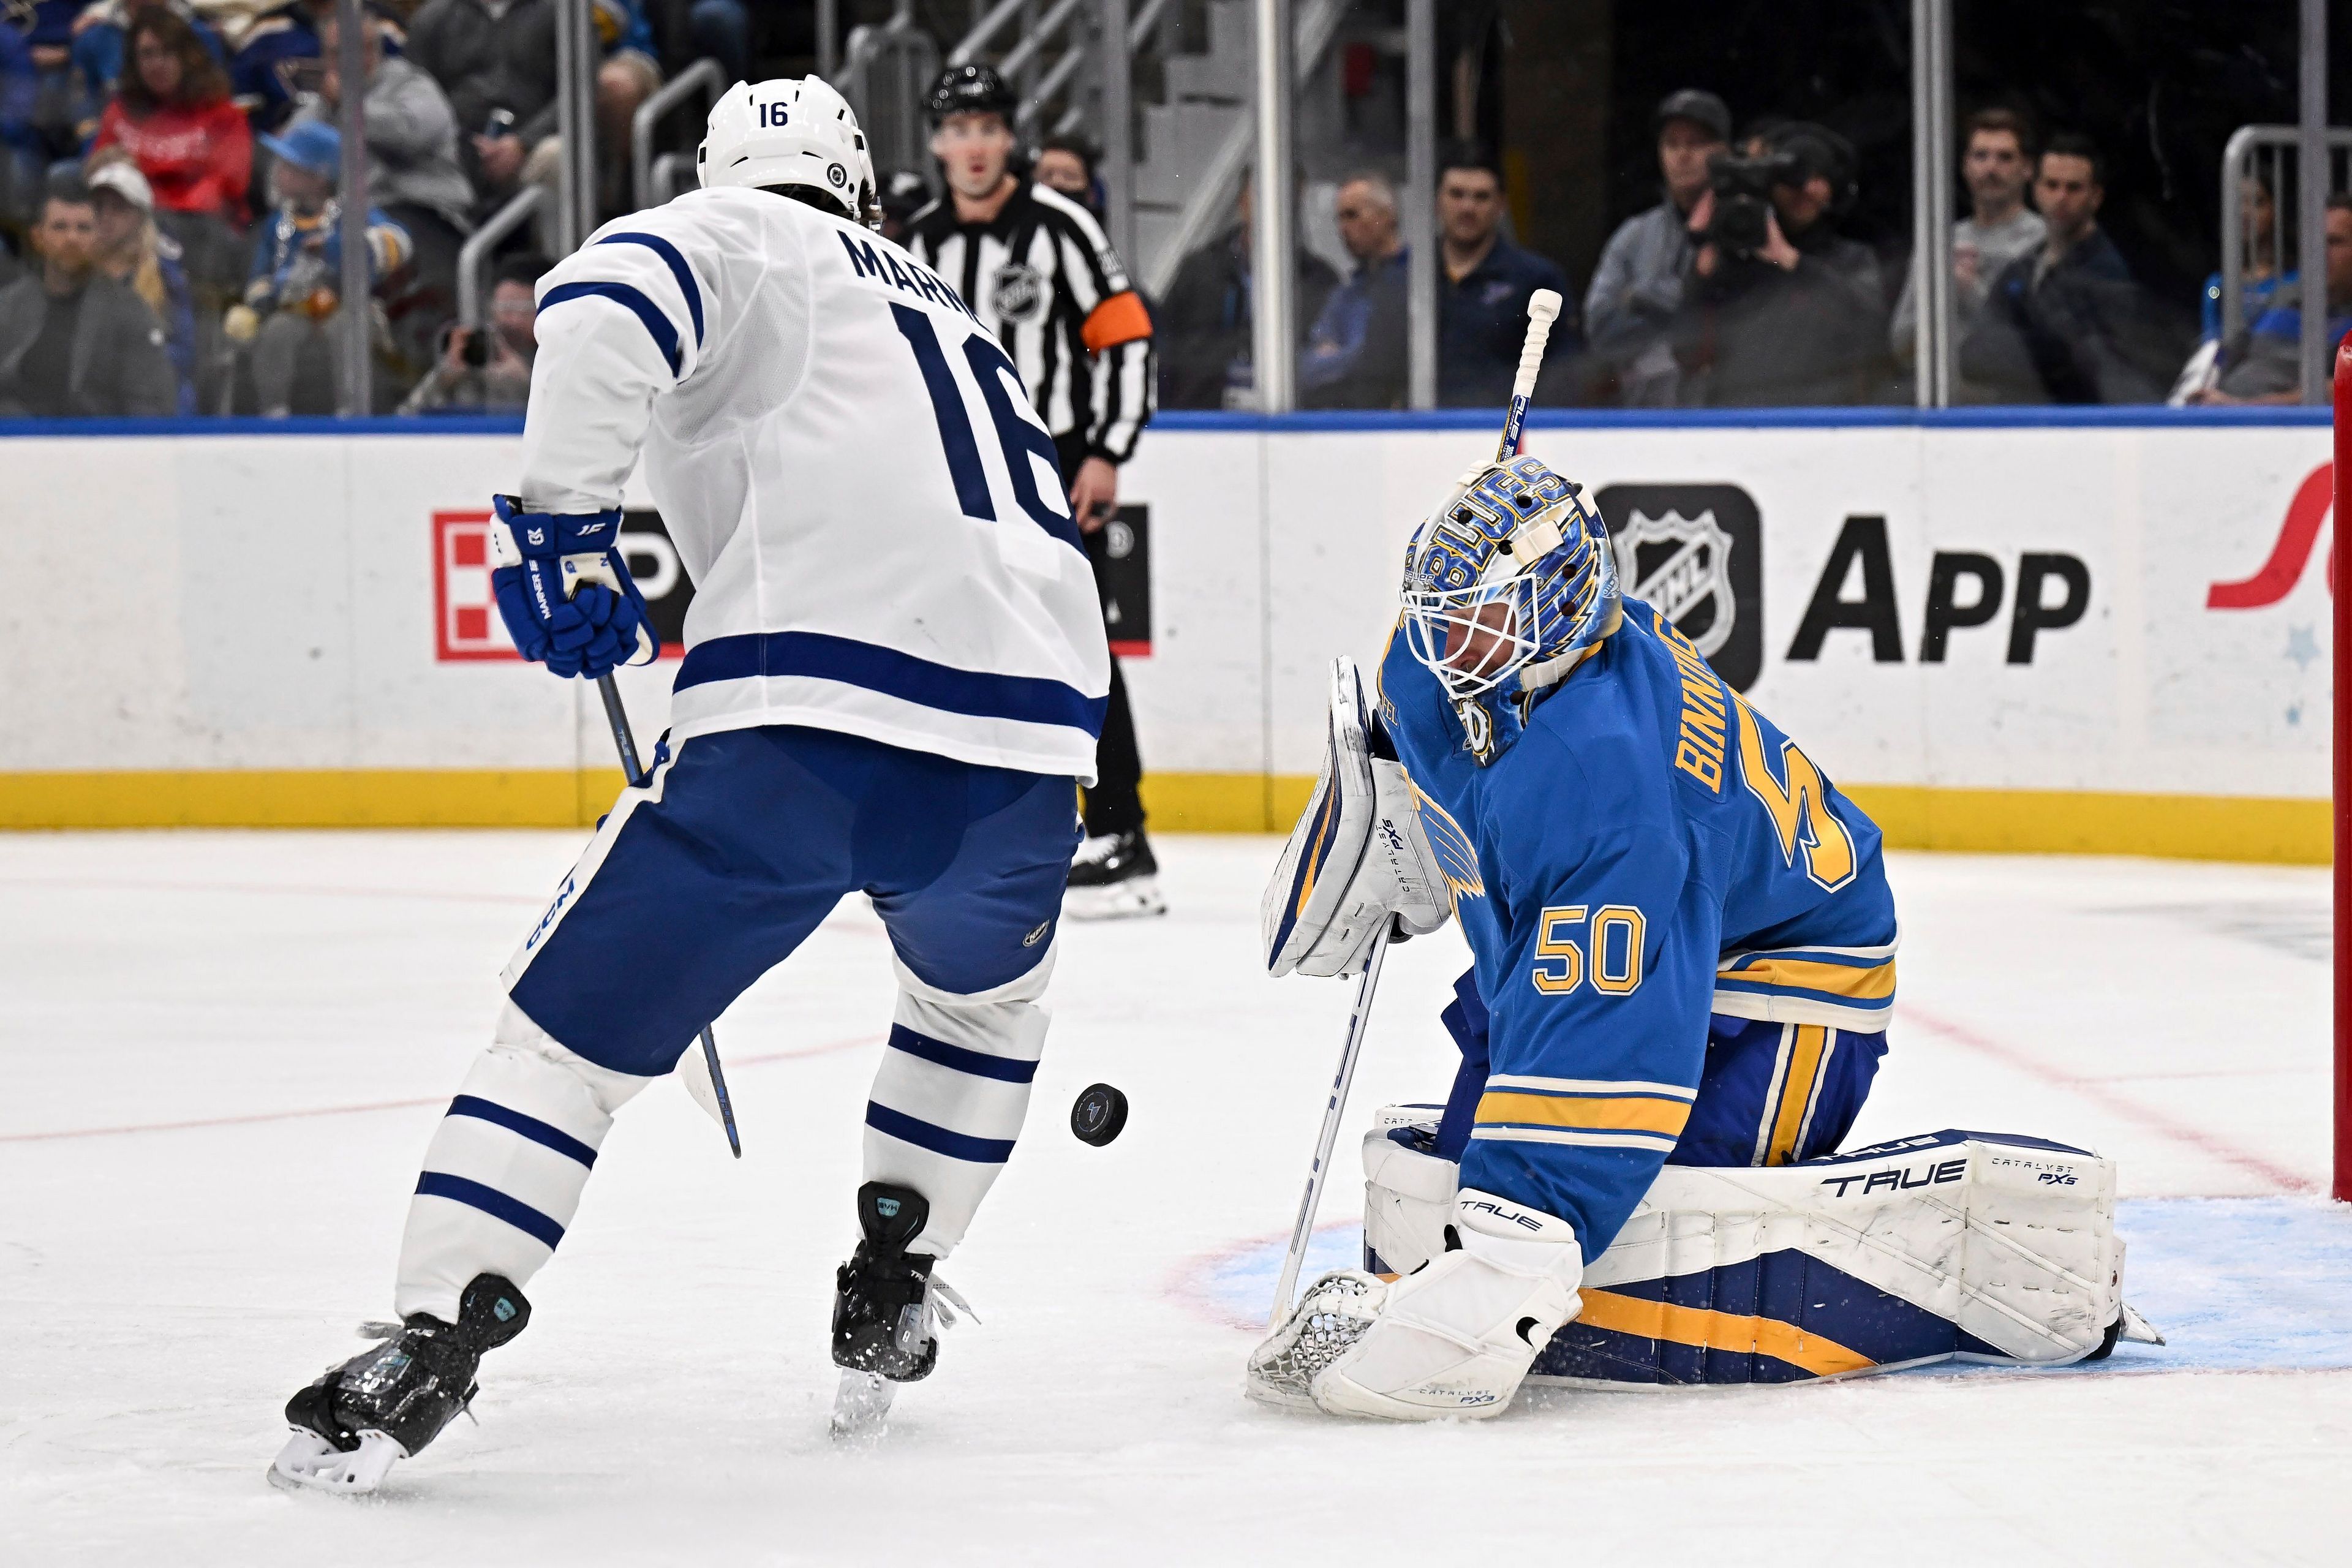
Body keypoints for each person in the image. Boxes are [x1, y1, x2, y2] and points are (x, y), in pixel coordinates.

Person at [271, 75, 1109, 1491]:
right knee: (980, 1004)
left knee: (565, 1041)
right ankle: (897, 1268)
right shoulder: (951, 309)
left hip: (806, 716)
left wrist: (563, 528)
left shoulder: (731, 234)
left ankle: (434, 1335)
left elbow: (600, 289)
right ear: (859, 181)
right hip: (1033, 741)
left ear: (721, 172)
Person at [905, 64, 1163, 919]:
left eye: (987, 127)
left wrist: (1108, 451)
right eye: (957, 128)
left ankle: (1122, 835)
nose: (973, 145)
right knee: (950, 640)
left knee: (1070, 644)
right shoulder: (917, 242)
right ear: (937, 143)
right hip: (951, 472)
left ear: (1010, 136)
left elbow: (1125, 336)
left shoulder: (1061, 227)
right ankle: (964, 828)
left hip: (1050, 466)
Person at [287, 10, 472, 374]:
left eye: (361, 49)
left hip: (422, 217)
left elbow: (413, 132)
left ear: (375, 49)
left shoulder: (411, 85)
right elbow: (285, 163)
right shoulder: (319, 107)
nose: (350, 61)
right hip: (347, 223)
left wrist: (350, 108)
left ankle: (413, 378)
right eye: (337, 53)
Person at [1668, 120, 1885, 405]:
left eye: (1818, 177)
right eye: (1791, 179)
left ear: (1834, 190)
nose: (1804, 189)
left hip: (1823, 427)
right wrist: (1702, 275)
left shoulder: (1852, 260)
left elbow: (1871, 334)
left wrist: (1790, 261)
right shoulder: (1735, 264)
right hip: (1735, 426)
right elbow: (1687, 352)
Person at [1959, 133, 2162, 405]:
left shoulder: (2107, 273)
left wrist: (2022, 351)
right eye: (2052, 185)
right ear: (2036, 189)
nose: (2061, 198)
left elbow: (2086, 369)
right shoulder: (2024, 268)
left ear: (2096, 196)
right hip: (2022, 421)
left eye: (2074, 188)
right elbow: (1973, 354)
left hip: (2078, 426)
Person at [226, 119, 410, 415]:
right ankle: (273, 411)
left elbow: (398, 243)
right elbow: (261, 273)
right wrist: (264, 300)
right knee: (276, 331)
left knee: (347, 329)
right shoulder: (278, 224)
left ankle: (352, 409)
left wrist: (338, 248)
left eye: (290, 167)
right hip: (293, 307)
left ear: (319, 175)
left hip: (345, 306)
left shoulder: (352, 213)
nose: (279, 173)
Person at [91, 7, 252, 299]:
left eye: (167, 53)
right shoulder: (121, 111)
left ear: (187, 56)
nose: (157, 64)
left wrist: (154, 207)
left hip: (200, 229)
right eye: (147, 55)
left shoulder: (222, 115)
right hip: (131, 220)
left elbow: (223, 189)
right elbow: (98, 171)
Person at [1583, 89, 1727, 407]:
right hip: (1644, 419)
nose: (1682, 155)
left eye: (1696, 143)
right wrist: (1685, 303)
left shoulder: (1746, 230)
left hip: (1727, 417)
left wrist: (1639, 297)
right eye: (1672, 144)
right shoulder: (1634, 236)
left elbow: (1740, 325)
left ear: (1724, 151)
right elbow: (1600, 328)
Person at [1889, 108, 2046, 393]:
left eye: (2005, 157)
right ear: (1965, 166)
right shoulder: (1940, 243)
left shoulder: (2043, 243)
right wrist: (1943, 295)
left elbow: (2037, 350)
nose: (1991, 168)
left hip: (2018, 406)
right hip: (1942, 404)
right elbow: (1900, 345)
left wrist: (1971, 290)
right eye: (1981, 156)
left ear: (2027, 169)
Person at [1157, 173, 1338, 409]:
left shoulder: (1321, 279)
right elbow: (1164, 347)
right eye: (1261, 194)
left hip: (1290, 421)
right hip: (1203, 423)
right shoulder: (1199, 270)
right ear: (1242, 202)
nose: (1274, 206)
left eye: (1287, 197)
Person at [0, 182, 177, 415]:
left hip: (100, 446)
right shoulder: (8, 307)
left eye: (83, 228)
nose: (72, 238)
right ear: (38, 237)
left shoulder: (130, 312)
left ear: (98, 238)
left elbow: (150, 408)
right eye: (60, 227)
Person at [1433, 143, 1576, 407]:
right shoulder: (1409, 276)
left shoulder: (1537, 279)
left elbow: (1564, 374)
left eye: (1481, 197)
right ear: (1437, 200)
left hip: (1502, 435)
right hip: (1415, 434)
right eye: (1457, 194)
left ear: (1501, 205)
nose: (1467, 207)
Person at [2192, 194, 2352, 405]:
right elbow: (2225, 355)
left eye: (2335, 242)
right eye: (2315, 242)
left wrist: (2242, 408)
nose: (2321, 253)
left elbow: (2342, 390)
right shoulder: (2283, 296)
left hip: (2279, 429)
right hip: (2216, 416)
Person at [85, 154, 197, 412]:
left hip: (149, 395)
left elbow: (185, 352)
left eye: (118, 208)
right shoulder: (78, 275)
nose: (106, 217)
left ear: (139, 215)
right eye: (98, 207)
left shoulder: (167, 279)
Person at [1299, 171, 1408, 408]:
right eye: (1339, 218)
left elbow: (1379, 360)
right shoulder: (1346, 293)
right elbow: (1307, 369)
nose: (1344, 228)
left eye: (1352, 215)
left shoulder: (1416, 284)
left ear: (1387, 216)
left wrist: (1339, 354)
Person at [399, 250, 543, 412]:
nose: (513, 320)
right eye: (505, 308)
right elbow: (404, 419)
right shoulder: (475, 357)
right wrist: (444, 379)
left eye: (524, 310)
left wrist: (527, 384)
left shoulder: (557, 358)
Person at [1032, 132, 1099, 214]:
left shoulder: (1091, 226)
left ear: (1091, 193)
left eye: (1069, 176)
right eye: (1047, 176)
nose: (1057, 182)